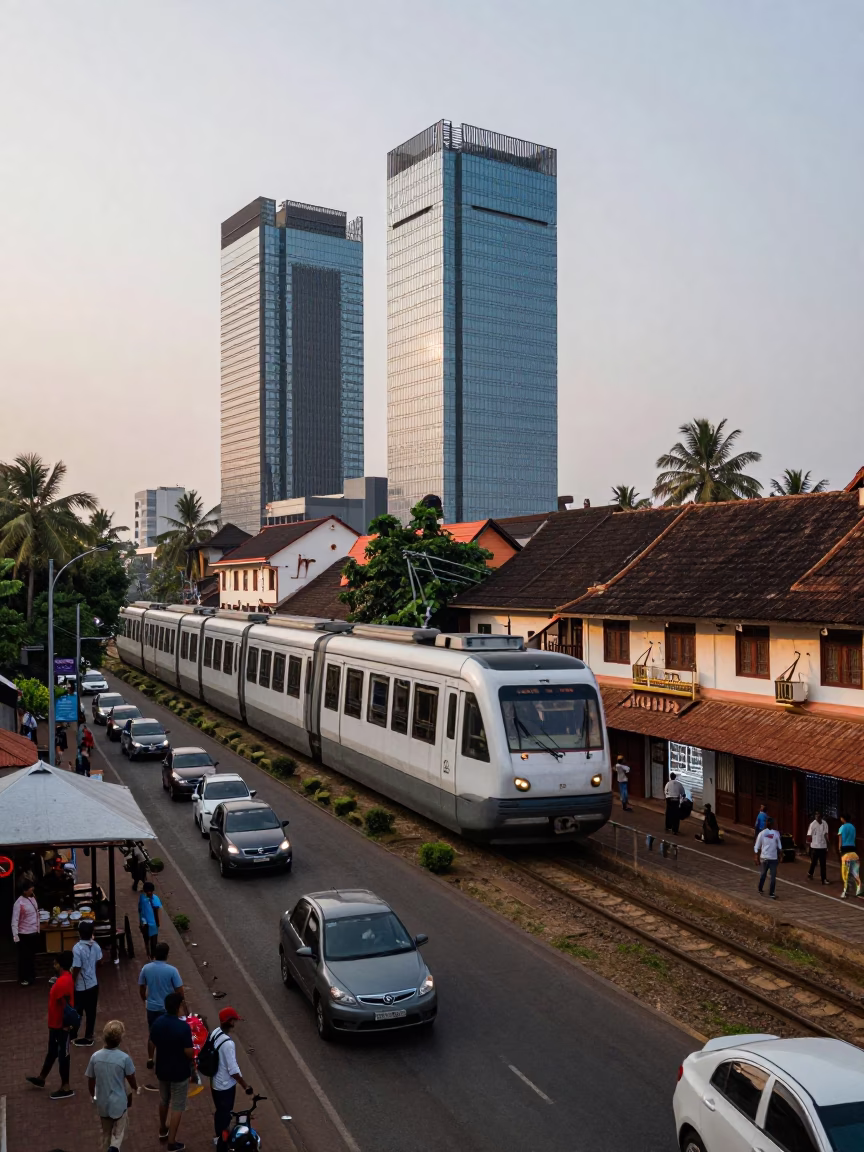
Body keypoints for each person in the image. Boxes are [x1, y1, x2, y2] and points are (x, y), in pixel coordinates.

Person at [26, 949, 76, 1099]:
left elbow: (66, 1005)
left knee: (62, 1056)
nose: (53, 965)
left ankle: (65, 1086)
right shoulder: (64, 978)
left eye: (55, 963)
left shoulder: (62, 983)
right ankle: (41, 1078)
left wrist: (66, 1026)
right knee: (53, 1052)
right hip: (56, 1024)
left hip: (61, 1026)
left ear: (60, 965)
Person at [149, 992, 194, 1151]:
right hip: (179, 1072)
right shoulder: (183, 1028)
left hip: (162, 1069)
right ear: (177, 1007)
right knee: (177, 1106)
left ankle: (163, 1129)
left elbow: (151, 1042)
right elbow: (189, 1052)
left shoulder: (158, 1023)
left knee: (164, 1100)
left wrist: (150, 1059)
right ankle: (172, 1142)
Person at [86, 1019, 138, 1152]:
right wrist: (135, 1088)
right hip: (119, 1102)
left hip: (102, 1102)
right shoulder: (124, 1058)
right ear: (120, 1039)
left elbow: (91, 1080)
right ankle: (114, 1148)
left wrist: (93, 1095)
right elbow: (131, 1078)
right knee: (119, 1132)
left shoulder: (95, 1057)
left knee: (106, 1132)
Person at [208, 1007, 254, 1151]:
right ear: (230, 1022)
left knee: (220, 1112)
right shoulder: (228, 1044)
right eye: (234, 1020)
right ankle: (222, 1144)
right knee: (225, 1115)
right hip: (225, 1086)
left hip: (215, 1082)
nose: (235, 1022)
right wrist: (245, 1085)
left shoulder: (215, 1032)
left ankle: (218, 1137)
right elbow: (233, 1070)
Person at [71, 919, 103, 1047]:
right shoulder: (95, 945)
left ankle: (73, 1034)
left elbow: (77, 967)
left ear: (79, 933)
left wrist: (71, 981)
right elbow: (101, 962)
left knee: (77, 1011)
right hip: (93, 984)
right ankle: (89, 1036)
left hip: (80, 986)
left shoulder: (77, 948)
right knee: (91, 1012)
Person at [12, 880, 41, 985]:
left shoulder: (32, 898)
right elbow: (14, 921)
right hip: (24, 934)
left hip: (33, 932)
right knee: (24, 958)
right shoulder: (18, 903)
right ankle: (24, 978)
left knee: (31, 956)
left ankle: (31, 976)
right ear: (25, 890)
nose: (32, 889)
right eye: (30, 888)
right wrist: (16, 937)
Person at [754, 816, 783, 899]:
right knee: (766, 875)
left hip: (770, 858)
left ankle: (770, 892)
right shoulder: (765, 834)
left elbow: (779, 845)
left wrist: (756, 856)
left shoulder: (770, 833)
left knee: (769, 876)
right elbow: (757, 846)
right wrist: (756, 856)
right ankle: (763, 889)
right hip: (767, 858)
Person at [838, 815, 860, 899]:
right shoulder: (853, 827)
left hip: (845, 852)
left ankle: (845, 891)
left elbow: (840, 840)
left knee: (845, 873)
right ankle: (858, 890)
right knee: (855, 872)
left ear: (843, 819)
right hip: (853, 852)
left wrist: (839, 850)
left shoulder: (842, 827)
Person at [138, 881, 162, 957]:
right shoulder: (142, 899)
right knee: (146, 939)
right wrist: (142, 923)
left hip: (153, 924)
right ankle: (148, 953)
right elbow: (140, 911)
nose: (149, 893)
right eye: (148, 891)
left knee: (153, 942)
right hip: (145, 924)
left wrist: (158, 923)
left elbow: (158, 912)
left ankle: (152, 956)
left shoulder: (155, 899)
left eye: (150, 891)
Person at [806, 811, 830, 885]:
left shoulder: (825, 823)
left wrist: (828, 844)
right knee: (814, 862)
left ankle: (824, 879)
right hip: (815, 847)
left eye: (819, 816)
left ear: (821, 817)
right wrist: (808, 847)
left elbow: (826, 834)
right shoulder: (812, 824)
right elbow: (809, 836)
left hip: (823, 846)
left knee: (823, 863)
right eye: (816, 816)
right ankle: (810, 873)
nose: (817, 817)